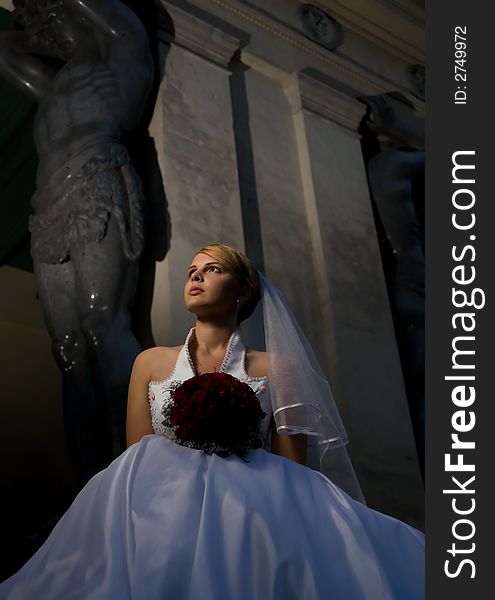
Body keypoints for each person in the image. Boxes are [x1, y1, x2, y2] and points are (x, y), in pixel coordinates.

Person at [0, 244, 425, 599]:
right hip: (157, 509)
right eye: (191, 271)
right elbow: (136, 453)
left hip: (251, 514)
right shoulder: (149, 363)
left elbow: (293, 469)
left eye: (212, 269)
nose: (196, 277)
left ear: (242, 290)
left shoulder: (280, 369)